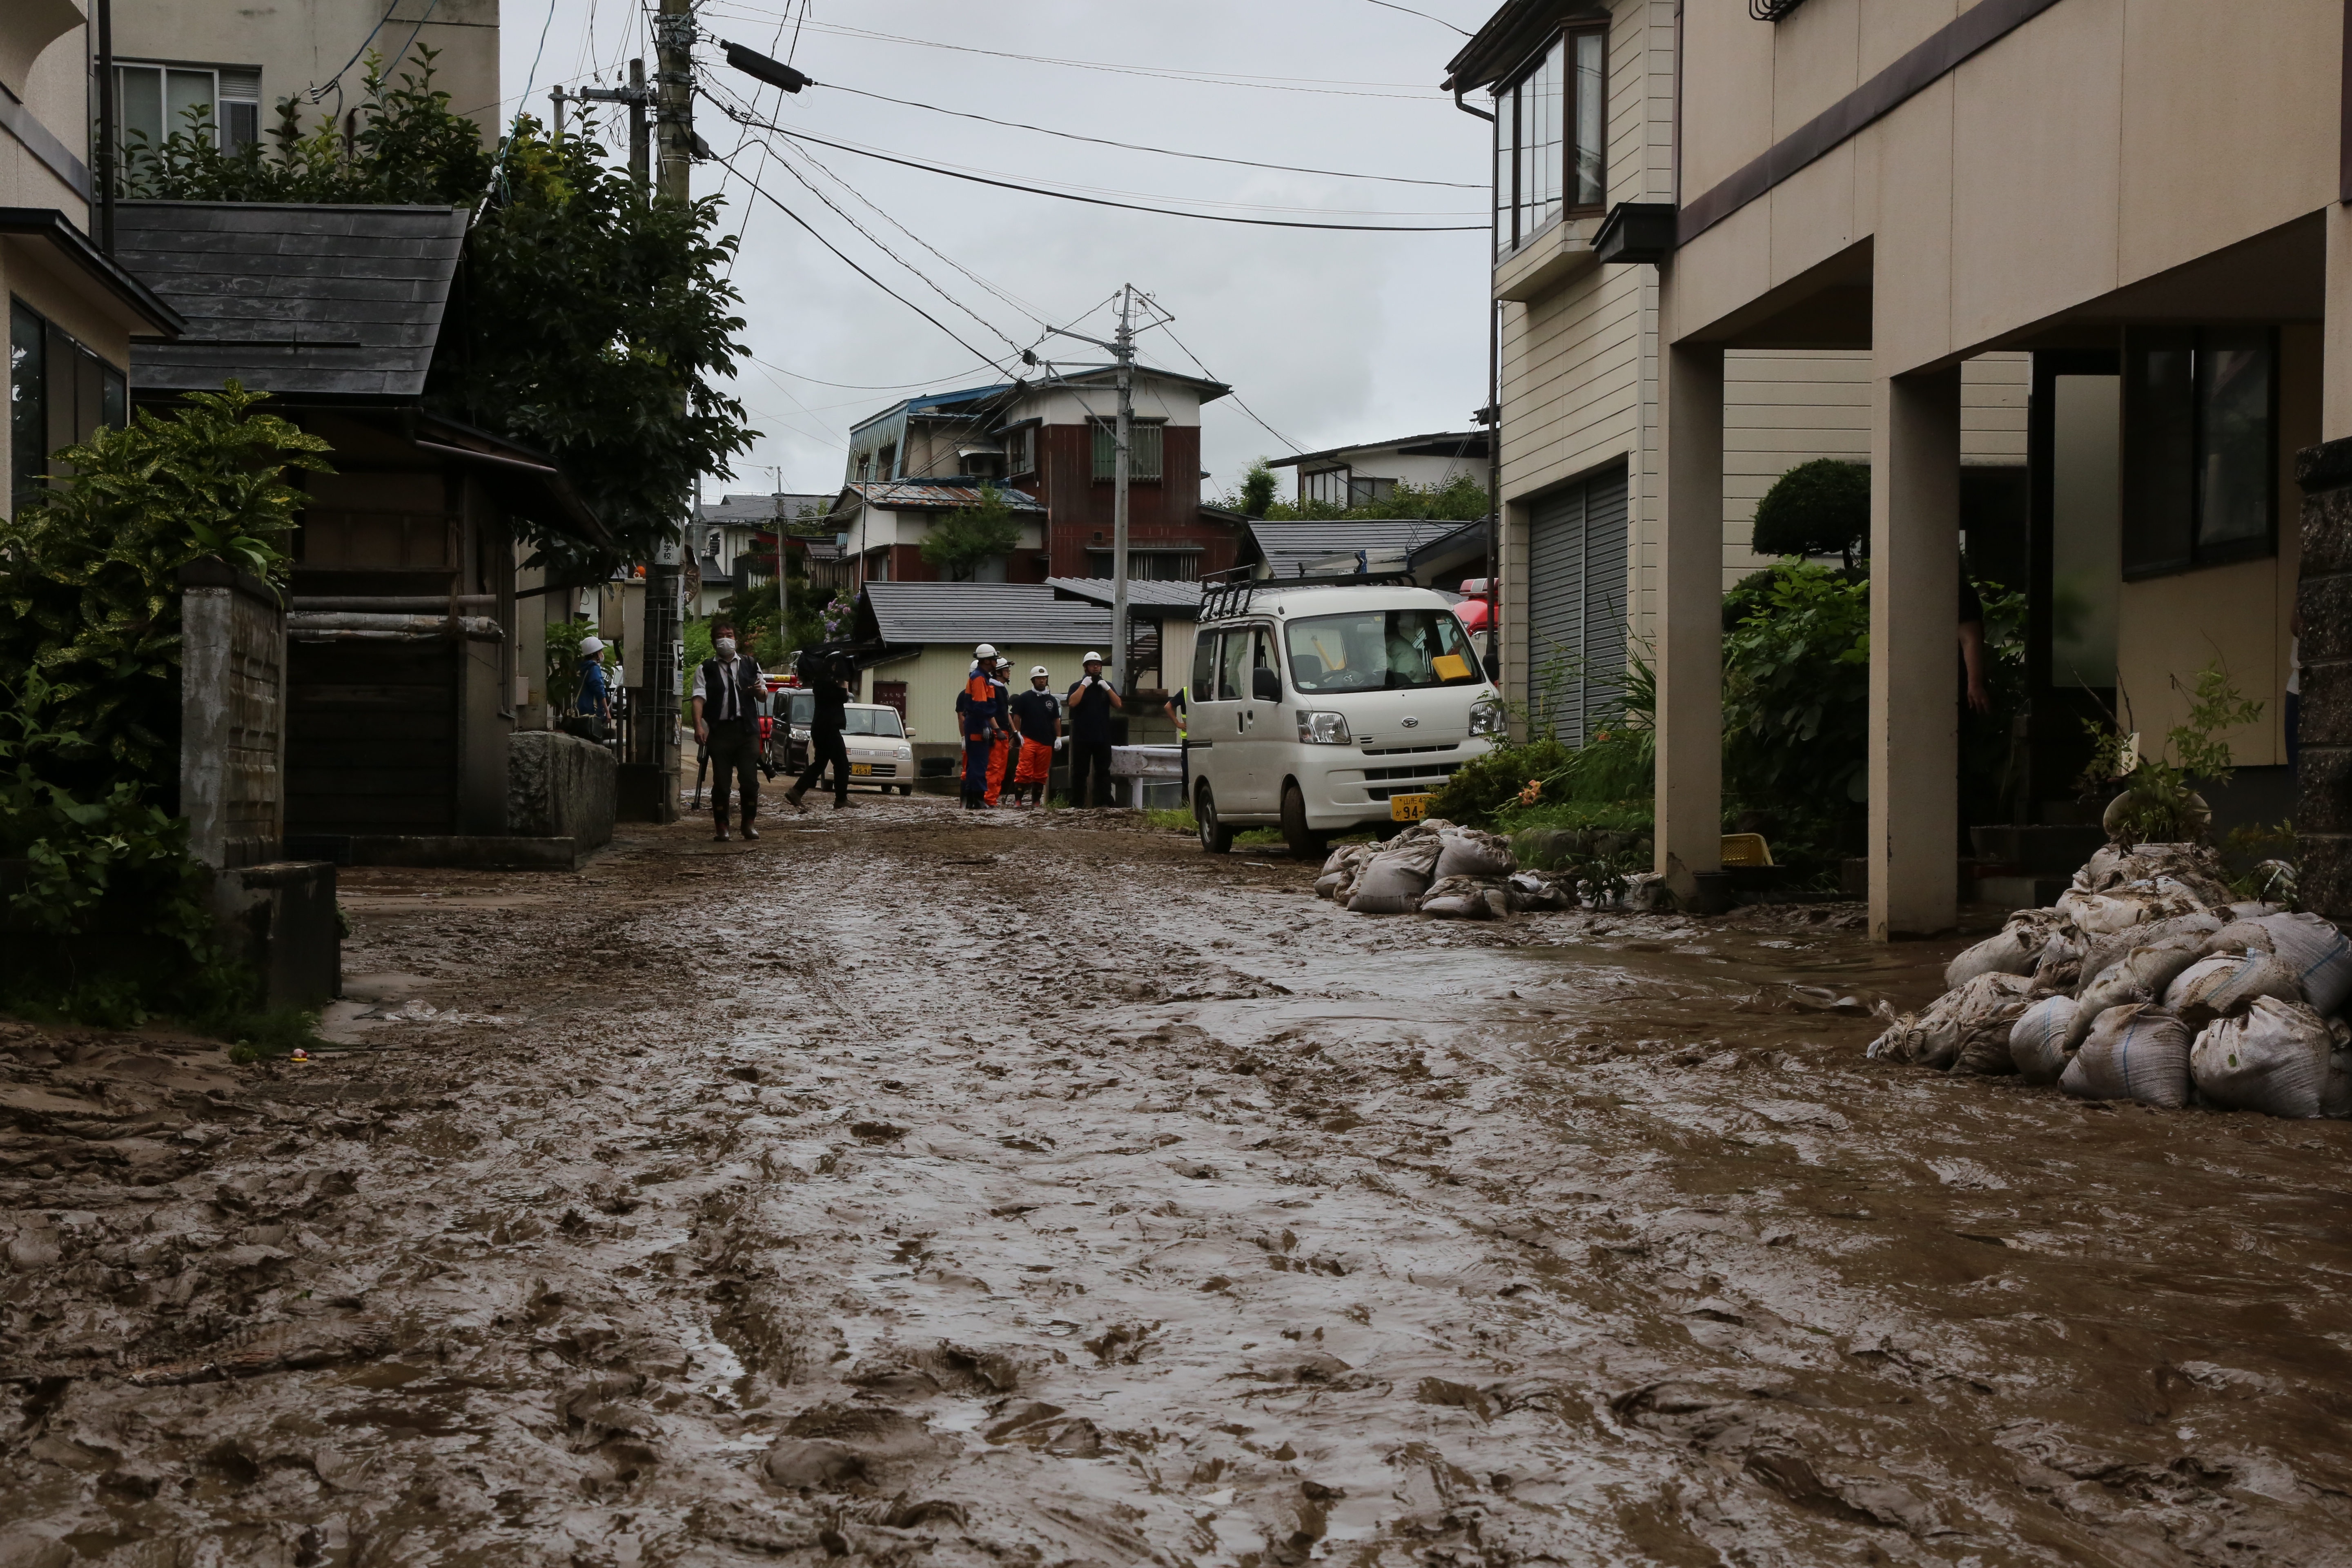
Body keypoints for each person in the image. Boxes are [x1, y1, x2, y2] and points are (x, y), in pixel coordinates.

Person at [692, 622, 765, 840]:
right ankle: (722, 826)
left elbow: (764, 695)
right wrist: (698, 726)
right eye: (721, 636)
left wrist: (758, 692)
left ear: (736, 638)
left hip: (747, 730)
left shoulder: (751, 664)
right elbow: (698, 699)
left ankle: (748, 823)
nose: (726, 639)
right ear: (714, 642)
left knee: (750, 781)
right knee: (722, 784)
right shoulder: (705, 668)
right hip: (720, 731)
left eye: (730, 635)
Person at [787, 651, 855, 811]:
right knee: (842, 763)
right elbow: (843, 696)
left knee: (820, 763)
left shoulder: (822, 681)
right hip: (828, 728)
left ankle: (796, 791)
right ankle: (841, 799)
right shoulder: (825, 682)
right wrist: (843, 680)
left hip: (822, 727)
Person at [1065, 650, 1123, 807]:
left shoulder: (1106, 686)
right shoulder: (1077, 686)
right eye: (1093, 665)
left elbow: (1118, 705)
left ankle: (1106, 803)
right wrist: (1084, 685)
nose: (1096, 668)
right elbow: (1072, 703)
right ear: (1086, 667)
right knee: (1080, 772)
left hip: (1102, 736)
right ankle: (1076, 804)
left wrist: (1108, 689)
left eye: (1098, 665)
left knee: (1104, 771)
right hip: (1082, 736)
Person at [1007, 665, 1062, 807]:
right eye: (1039, 679)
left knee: (1041, 774)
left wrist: (1058, 738)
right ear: (1033, 680)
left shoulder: (1052, 701)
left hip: (1046, 742)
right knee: (1024, 771)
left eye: (1044, 678)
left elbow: (1056, 720)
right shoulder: (1024, 698)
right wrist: (1017, 733)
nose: (1042, 681)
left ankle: (1036, 802)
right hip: (1029, 740)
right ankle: (1018, 801)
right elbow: (1017, 716)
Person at [960, 642, 1003, 808]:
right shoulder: (979, 678)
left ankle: (972, 800)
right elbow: (980, 705)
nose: (995, 662)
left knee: (975, 762)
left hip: (976, 722)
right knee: (979, 763)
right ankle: (977, 799)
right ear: (987, 661)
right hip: (978, 723)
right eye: (994, 659)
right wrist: (986, 726)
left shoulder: (982, 677)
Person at [984, 656, 1016, 808]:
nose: (1009, 673)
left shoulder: (1002, 689)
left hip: (1004, 731)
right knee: (995, 767)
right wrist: (997, 729)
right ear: (998, 672)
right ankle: (989, 799)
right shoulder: (993, 688)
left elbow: (1006, 713)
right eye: (1006, 670)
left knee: (1001, 768)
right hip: (998, 732)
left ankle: (993, 798)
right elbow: (989, 711)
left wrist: (1015, 732)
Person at [575, 635, 612, 737]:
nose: (602, 654)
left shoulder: (582, 668)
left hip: (581, 711)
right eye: (600, 651)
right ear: (595, 654)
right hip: (592, 712)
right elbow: (600, 691)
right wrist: (607, 712)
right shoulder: (594, 669)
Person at [1163, 681, 1189, 802]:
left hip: (1190, 739)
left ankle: (1187, 805)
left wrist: (1178, 723)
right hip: (1191, 739)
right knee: (1188, 775)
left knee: (1188, 774)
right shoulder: (1186, 691)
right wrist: (1178, 723)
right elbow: (1168, 707)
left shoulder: (1187, 690)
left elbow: (1168, 706)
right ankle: (1187, 804)